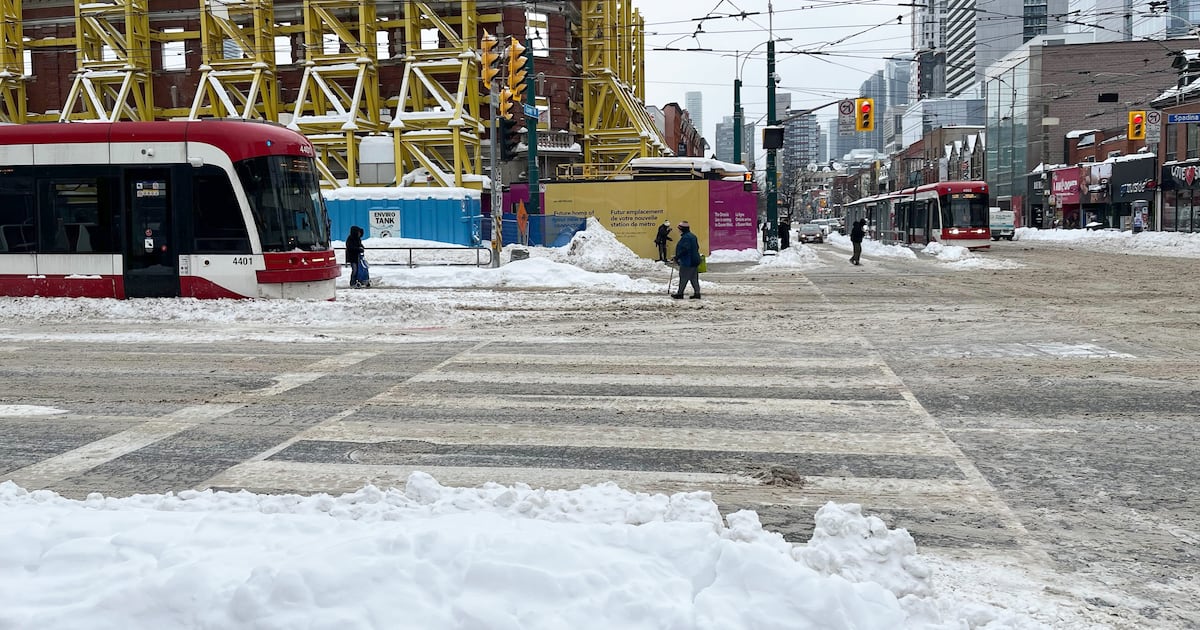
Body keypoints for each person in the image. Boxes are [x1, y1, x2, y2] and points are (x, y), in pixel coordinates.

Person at [671, 220, 701, 299]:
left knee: (683, 277)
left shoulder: (686, 238)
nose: (678, 230)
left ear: (682, 229)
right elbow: (697, 247)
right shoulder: (693, 236)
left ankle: (680, 294)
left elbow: (685, 250)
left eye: (679, 228)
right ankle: (697, 293)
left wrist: (677, 257)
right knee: (694, 278)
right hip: (694, 260)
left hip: (688, 261)